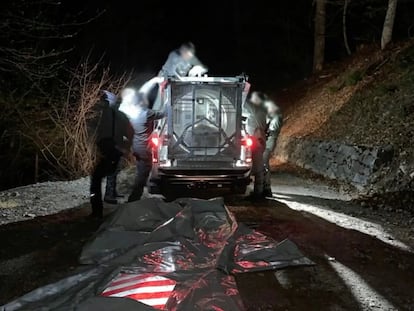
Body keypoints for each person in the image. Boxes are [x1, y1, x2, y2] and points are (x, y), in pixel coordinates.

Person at [89, 91, 133, 219]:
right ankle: (109, 194)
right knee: (111, 171)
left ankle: (98, 210)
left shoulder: (102, 114)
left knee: (97, 178)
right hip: (115, 150)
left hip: (107, 148)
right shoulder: (121, 116)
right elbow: (130, 134)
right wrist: (126, 148)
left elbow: (95, 130)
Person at [128, 93, 166, 202]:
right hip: (144, 148)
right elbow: (162, 114)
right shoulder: (145, 113)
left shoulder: (133, 113)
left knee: (141, 170)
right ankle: (134, 198)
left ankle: (136, 196)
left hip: (136, 146)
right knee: (143, 173)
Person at [243, 91, 268, 200]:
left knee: (258, 167)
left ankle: (258, 193)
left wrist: (242, 93)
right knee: (258, 165)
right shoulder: (261, 109)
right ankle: (259, 190)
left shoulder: (255, 109)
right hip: (260, 138)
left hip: (256, 140)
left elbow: (244, 104)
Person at [263, 100, 283, 197]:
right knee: (263, 164)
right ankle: (264, 187)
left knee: (264, 164)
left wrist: (264, 132)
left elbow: (272, 131)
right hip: (267, 141)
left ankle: (266, 187)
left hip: (268, 142)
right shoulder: (271, 116)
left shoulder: (276, 117)